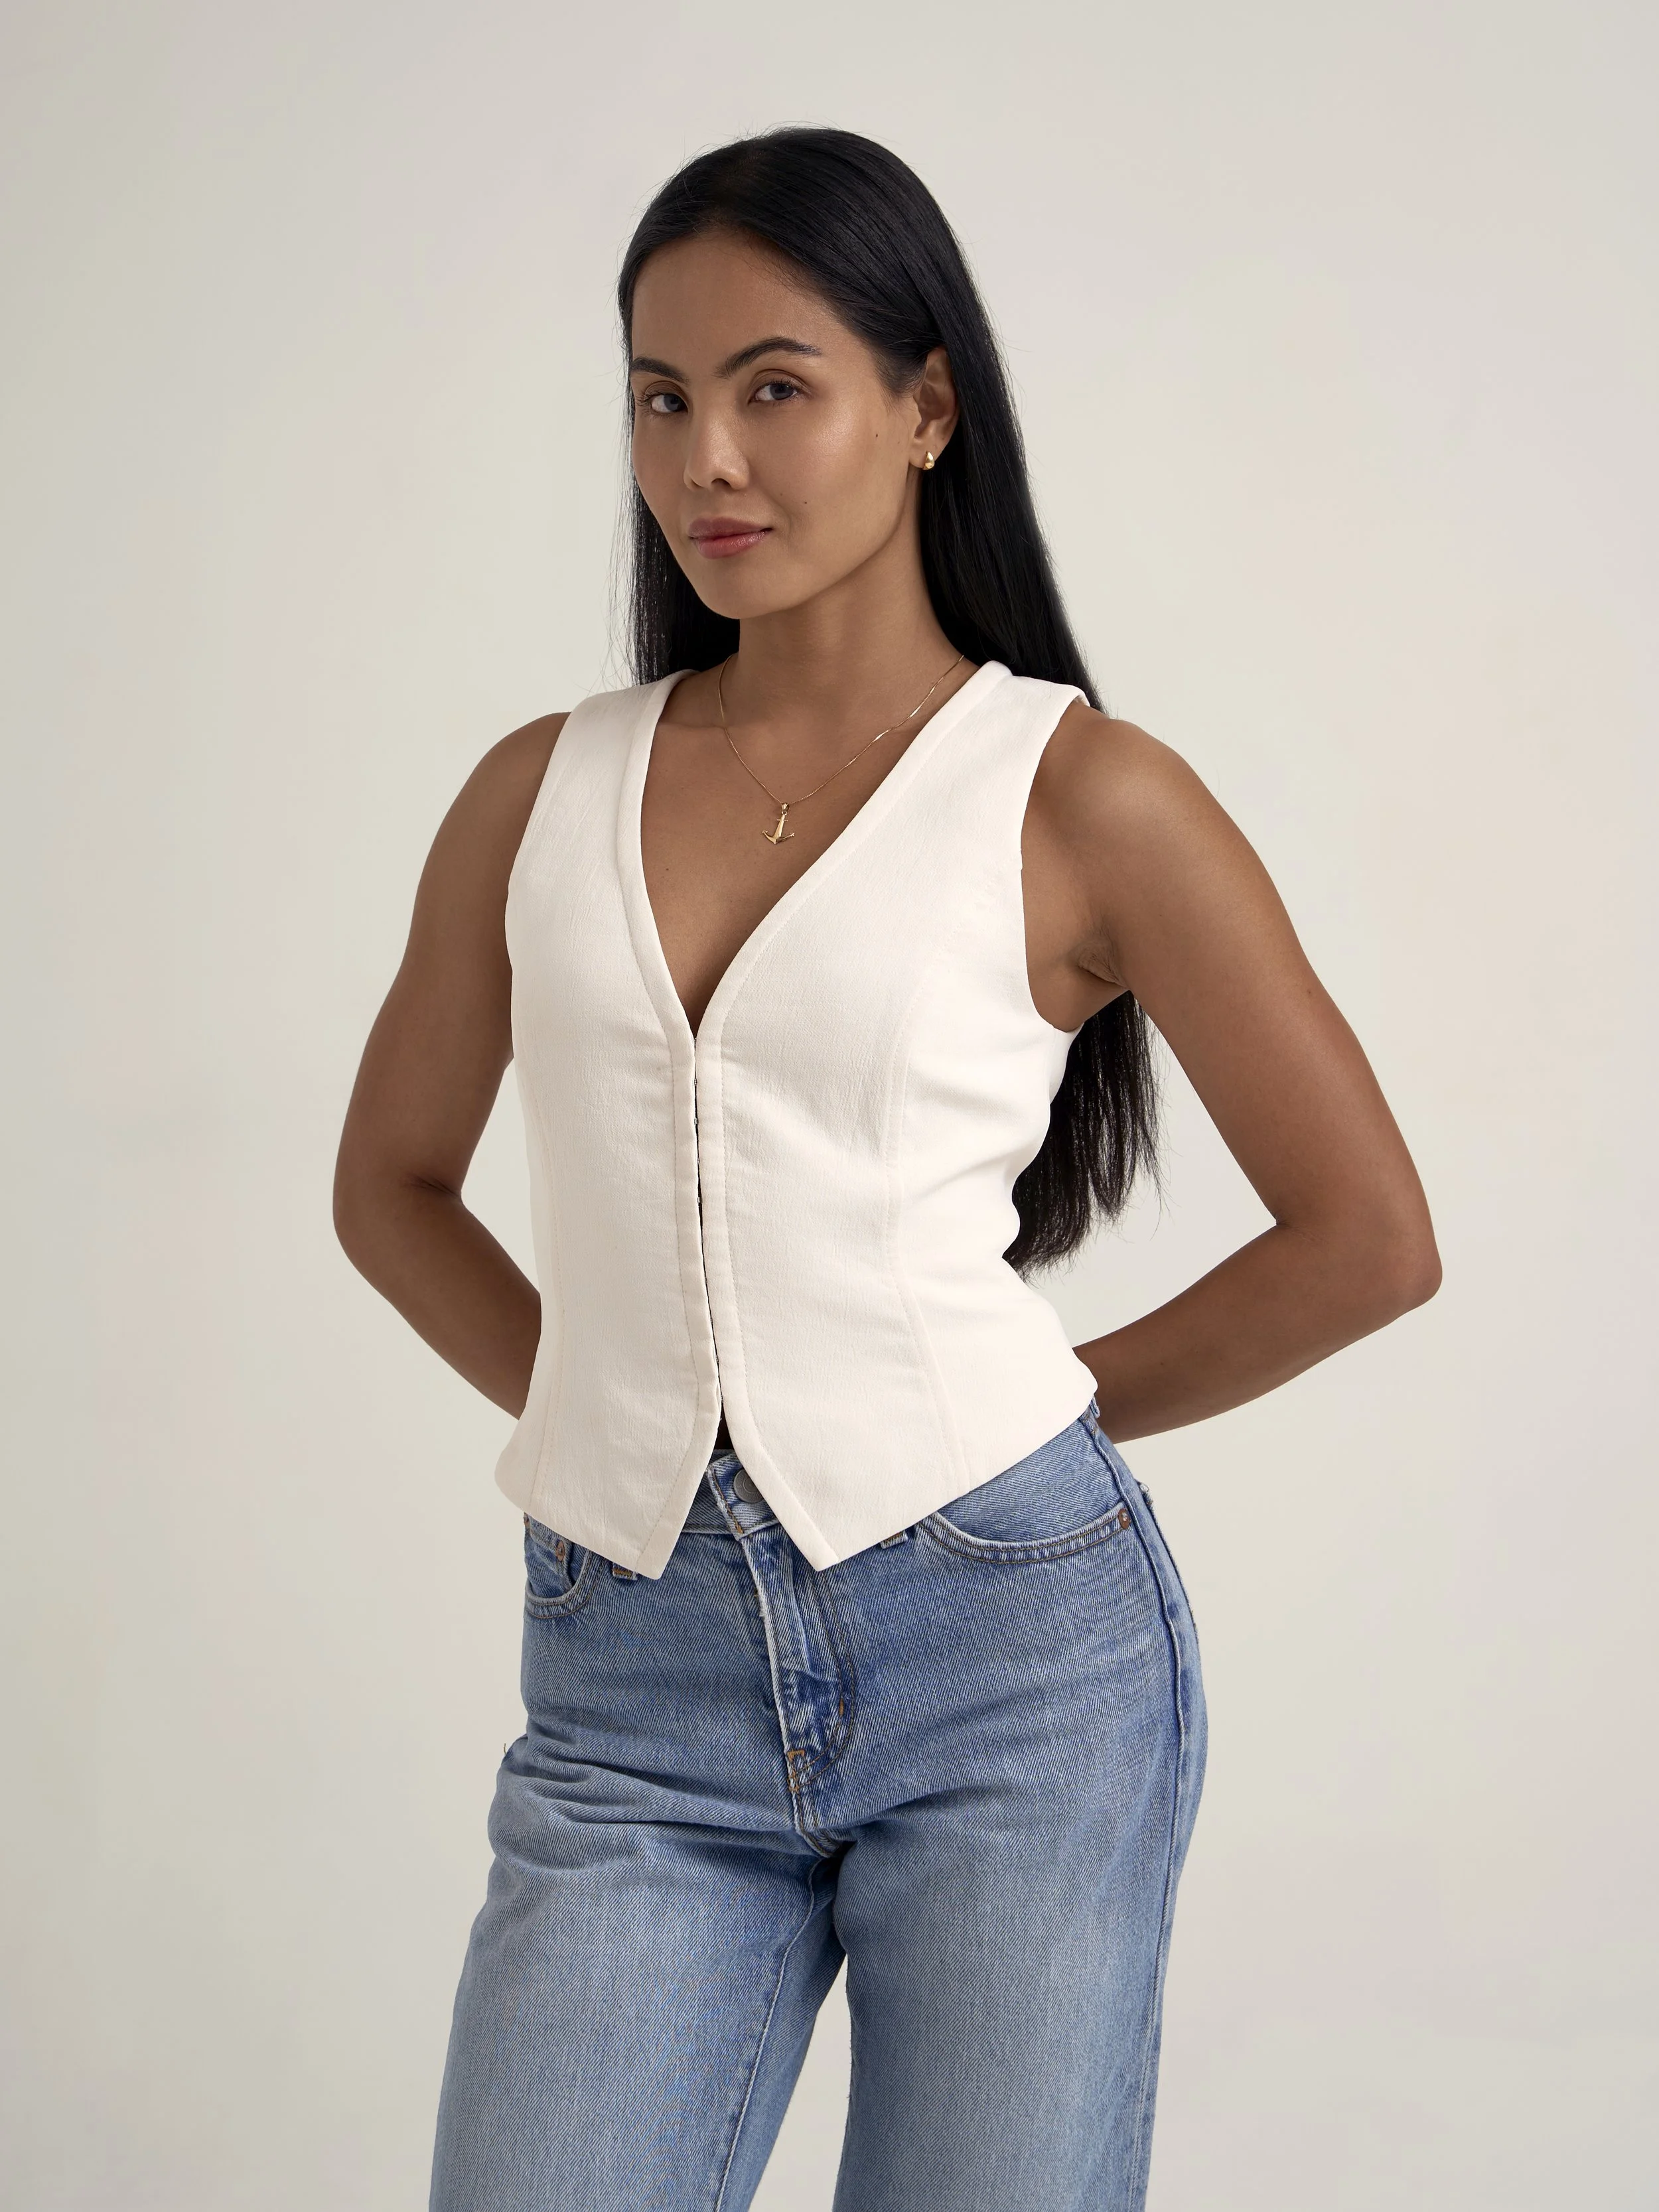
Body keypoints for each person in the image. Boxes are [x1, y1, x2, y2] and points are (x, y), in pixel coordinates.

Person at [333, 125, 1439, 2212]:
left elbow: (1368, 1236)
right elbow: (389, 1180)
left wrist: (1018, 1420)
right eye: (659, 398)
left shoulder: (1085, 792)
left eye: (774, 385)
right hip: (626, 1690)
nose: (706, 461)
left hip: (1016, 1657)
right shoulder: (537, 791)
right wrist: (623, 1415)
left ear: (926, 408)